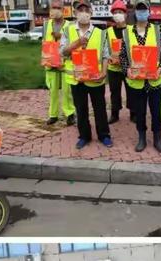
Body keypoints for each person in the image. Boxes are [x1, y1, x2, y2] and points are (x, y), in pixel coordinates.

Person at [60, 0, 112, 149]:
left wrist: (104, 72)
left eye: (86, 10)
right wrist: (75, 43)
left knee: (100, 108)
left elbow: (105, 54)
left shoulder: (100, 33)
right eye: (80, 10)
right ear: (75, 13)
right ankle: (84, 136)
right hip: (77, 79)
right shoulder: (67, 30)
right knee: (81, 108)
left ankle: (104, 135)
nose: (83, 13)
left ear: (91, 13)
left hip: (95, 78)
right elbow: (62, 52)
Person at [120, 0, 161, 153]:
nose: (142, 12)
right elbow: (123, 56)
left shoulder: (156, 30)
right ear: (135, 12)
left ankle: (157, 139)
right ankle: (141, 138)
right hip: (136, 82)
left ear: (149, 12)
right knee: (139, 112)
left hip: (154, 80)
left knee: (156, 111)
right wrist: (126, 70)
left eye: (144, 9)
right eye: (139, 10)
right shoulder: (127, 32)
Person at [43, 0, 75, 126]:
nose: (55, 10)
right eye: (53, 8)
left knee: (67, 91)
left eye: (58, 8)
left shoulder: (70, 25)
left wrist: (60, 35)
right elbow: (44, 42)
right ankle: (53, 115)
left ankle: (70, 114)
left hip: (65, 63)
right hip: (50, 63)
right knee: (53, 90)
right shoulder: (46, 25)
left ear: (63, 10)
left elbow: (73, 43)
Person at [107, 0, 135, 124]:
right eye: (115, 12)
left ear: (125, 14)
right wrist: (108, 57)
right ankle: (115, 113)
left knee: (131, 90)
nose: (118, 14)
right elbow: (104, 48)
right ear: (112, 14)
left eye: (120, 12)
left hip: (128, 67)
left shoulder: (131, 30)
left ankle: (133, 113)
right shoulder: (108, 31)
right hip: (113, 68)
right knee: (114, 91)